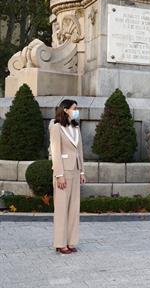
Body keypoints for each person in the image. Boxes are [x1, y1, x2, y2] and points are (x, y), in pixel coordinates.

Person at [50, 99, 86, 254]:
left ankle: (71, 241)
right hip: (63, 172)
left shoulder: (76, 128)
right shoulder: (56, 127)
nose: (76, 110)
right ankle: (60, 243)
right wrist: (59, 175)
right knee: (61, 208)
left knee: (74, 208)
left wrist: (82, 171)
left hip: (75, 170)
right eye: (74, 108)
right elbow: (55, 152)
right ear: (65, 110)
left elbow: (80, 152)